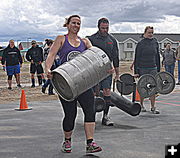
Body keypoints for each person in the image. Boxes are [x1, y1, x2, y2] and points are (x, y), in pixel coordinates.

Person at [45, 15, 102, 153]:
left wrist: (106, 67)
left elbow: (95, 55)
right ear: (68, 24)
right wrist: (47, 68)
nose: (76, 25)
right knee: (70, 114)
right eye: (74, 23)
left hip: (83, 84)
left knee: (90, 111)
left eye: (78, 23)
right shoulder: (61, 39)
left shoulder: (84, 41)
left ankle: (90, 143)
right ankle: (67, 141)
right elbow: (51, 55)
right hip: (66, 84)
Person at [87, 18, 120, 126]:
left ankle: (105, 117)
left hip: (107, 70)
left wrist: (117, 73)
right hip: (94, 70)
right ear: (98, 27)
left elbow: (115, 57)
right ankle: (91, 117)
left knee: (107, 92)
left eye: (107, 28)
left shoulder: (112, 40)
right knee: (94, 94)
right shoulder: (91, 39)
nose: (105, 30)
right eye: (103, 28)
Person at [134, 26, 160, 114]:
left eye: (152, 32)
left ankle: (153, 107)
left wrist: (158, 70)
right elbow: (136, 58)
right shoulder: (141, 43)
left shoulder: (155, 42)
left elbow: (157, 57)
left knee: (153, 87)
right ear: (145, 33)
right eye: (149, 33)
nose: (151, 34)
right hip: (143, 68)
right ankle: (141, 105)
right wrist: (136, 72)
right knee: (143, 87)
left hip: (153, 67)